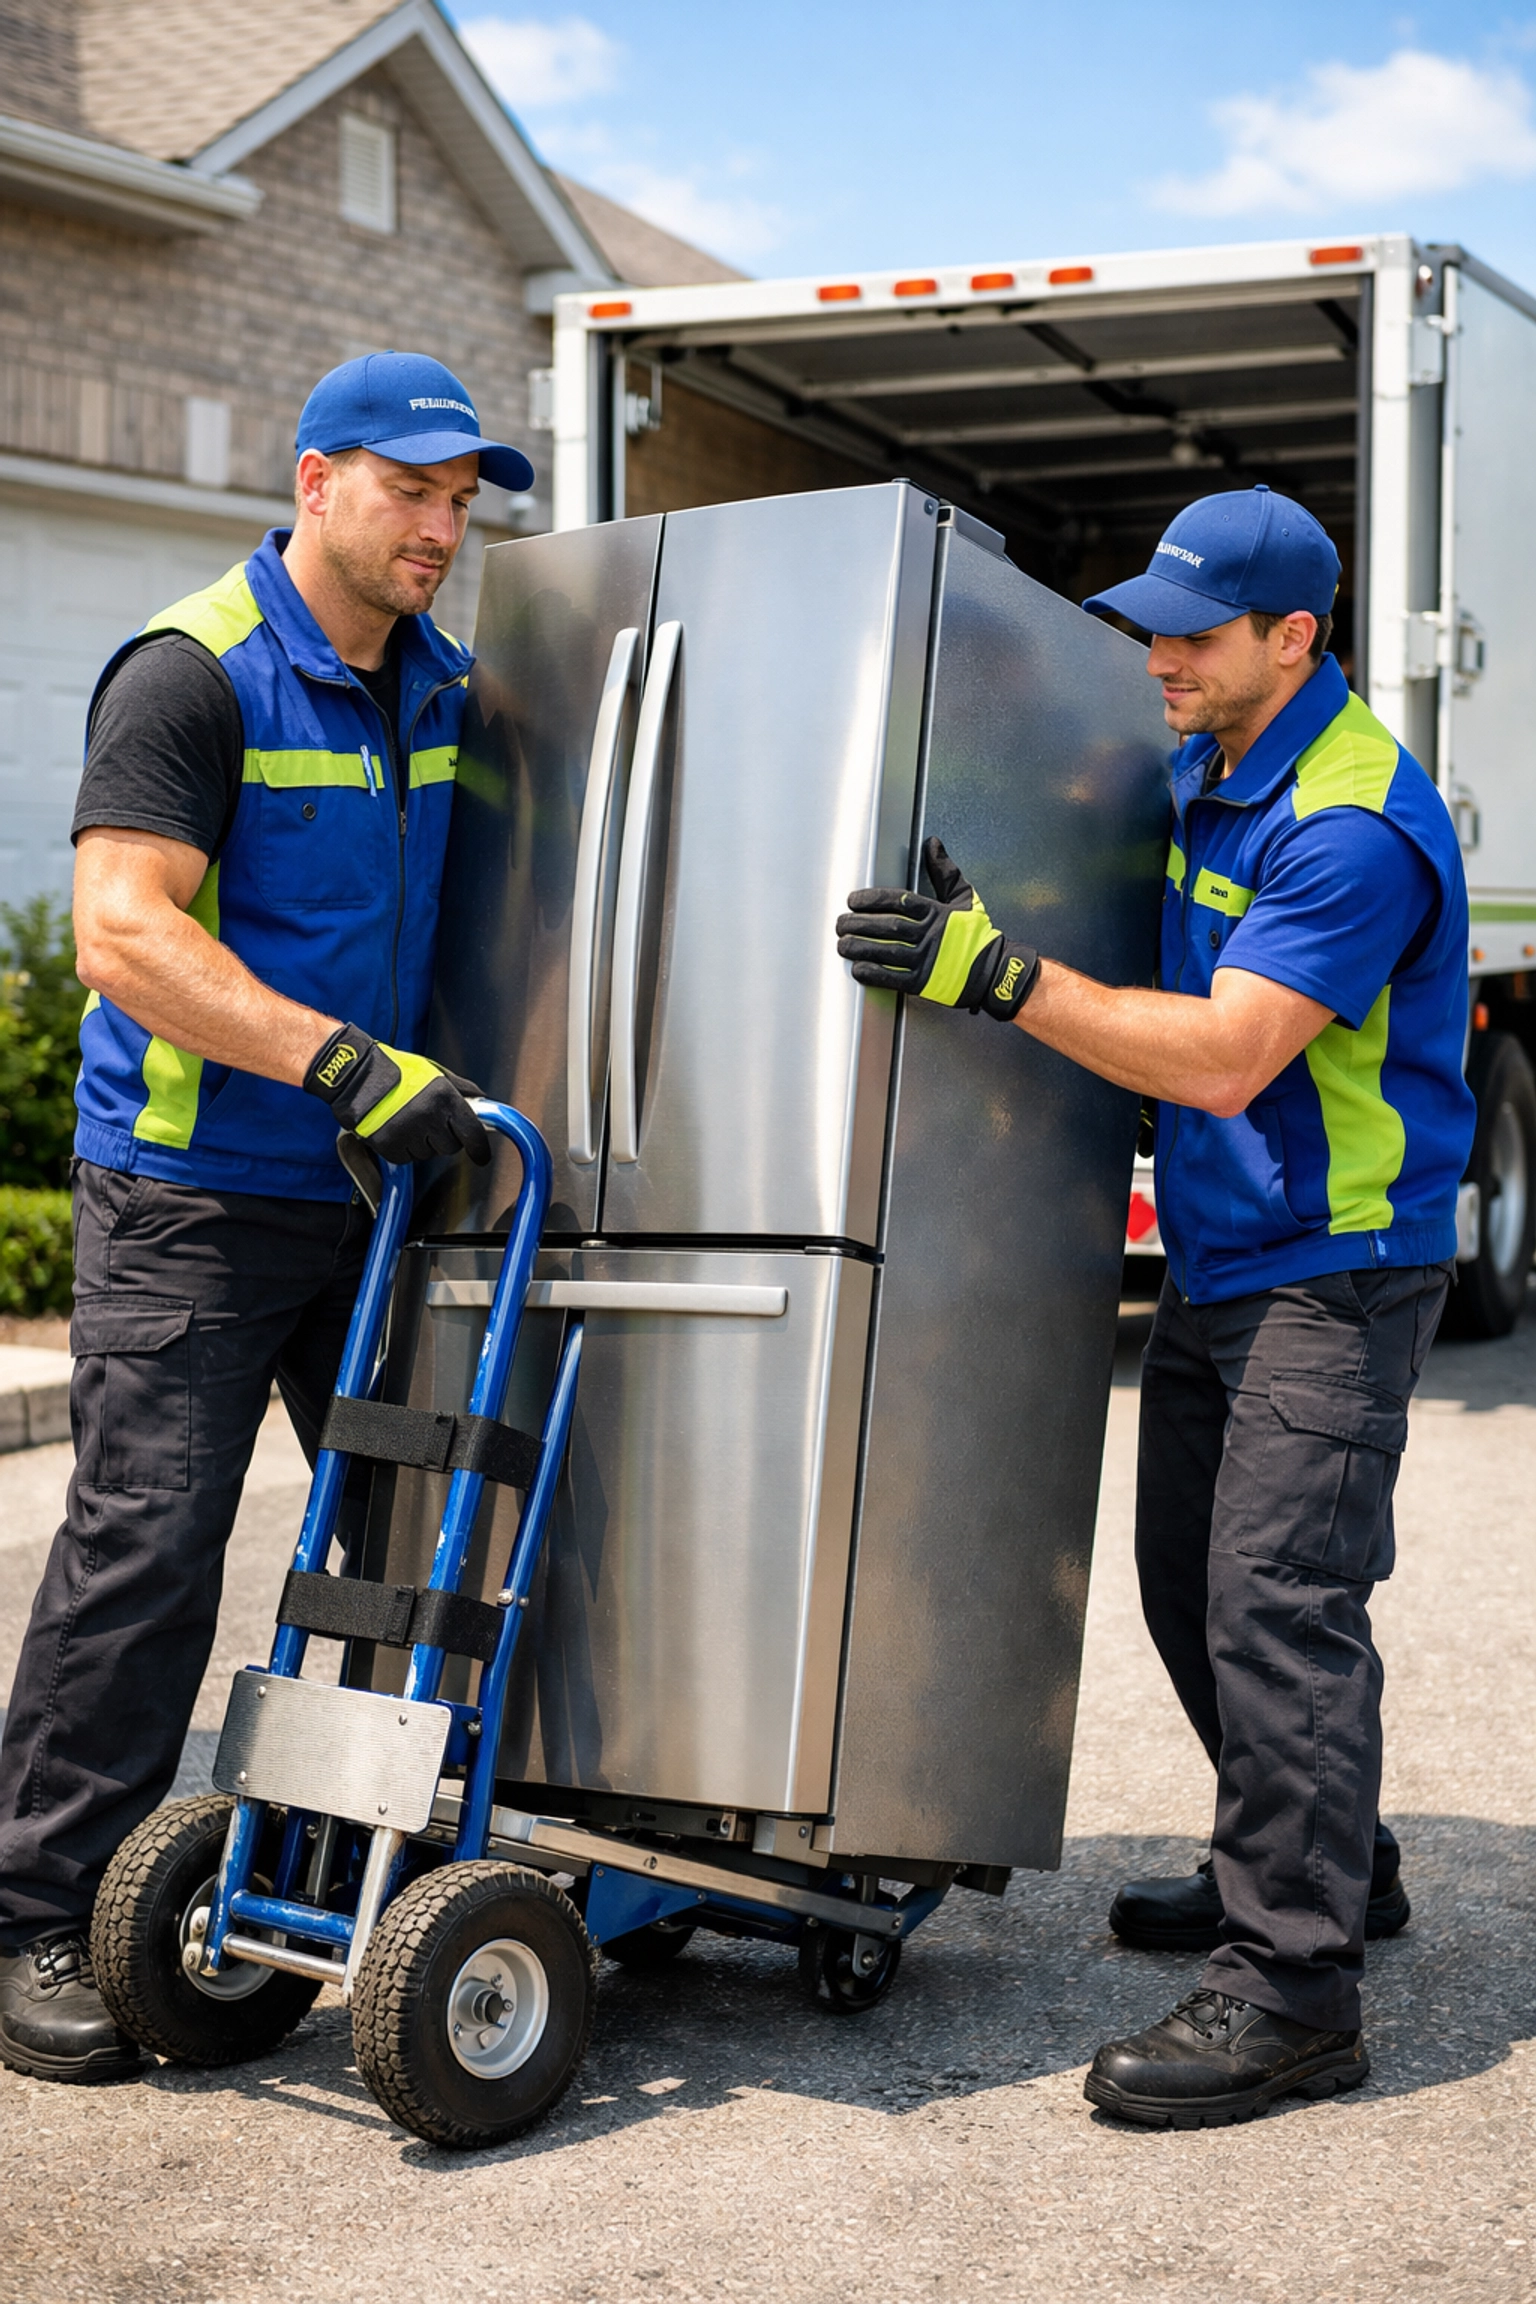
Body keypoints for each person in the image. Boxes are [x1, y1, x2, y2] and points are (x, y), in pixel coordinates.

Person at [836, 484, 1473, 2130]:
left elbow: (1231, 1048)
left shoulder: (1351, 821)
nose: (1159, 656)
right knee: (1189, 1582)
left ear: (1294, 639)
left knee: (1280, 1605)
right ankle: (1341, 1863)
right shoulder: (1212, 764)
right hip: (1223, 1249)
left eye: (1191, 635)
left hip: (1334, 1266)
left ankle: (1294, 1994)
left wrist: (997, 973)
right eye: (1153, 626)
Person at [0, 353, 535, 2084]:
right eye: (410, 491)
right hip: (192, 1200)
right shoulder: (193, 672)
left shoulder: (441, 683)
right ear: (315, 483)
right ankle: (37, 1916)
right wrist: (341, 1063)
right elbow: (123, 933)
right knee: (146, 1551)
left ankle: (325, 1883)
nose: (441, 529)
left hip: (375, 1204)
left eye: (462, 501)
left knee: (394, 1563)